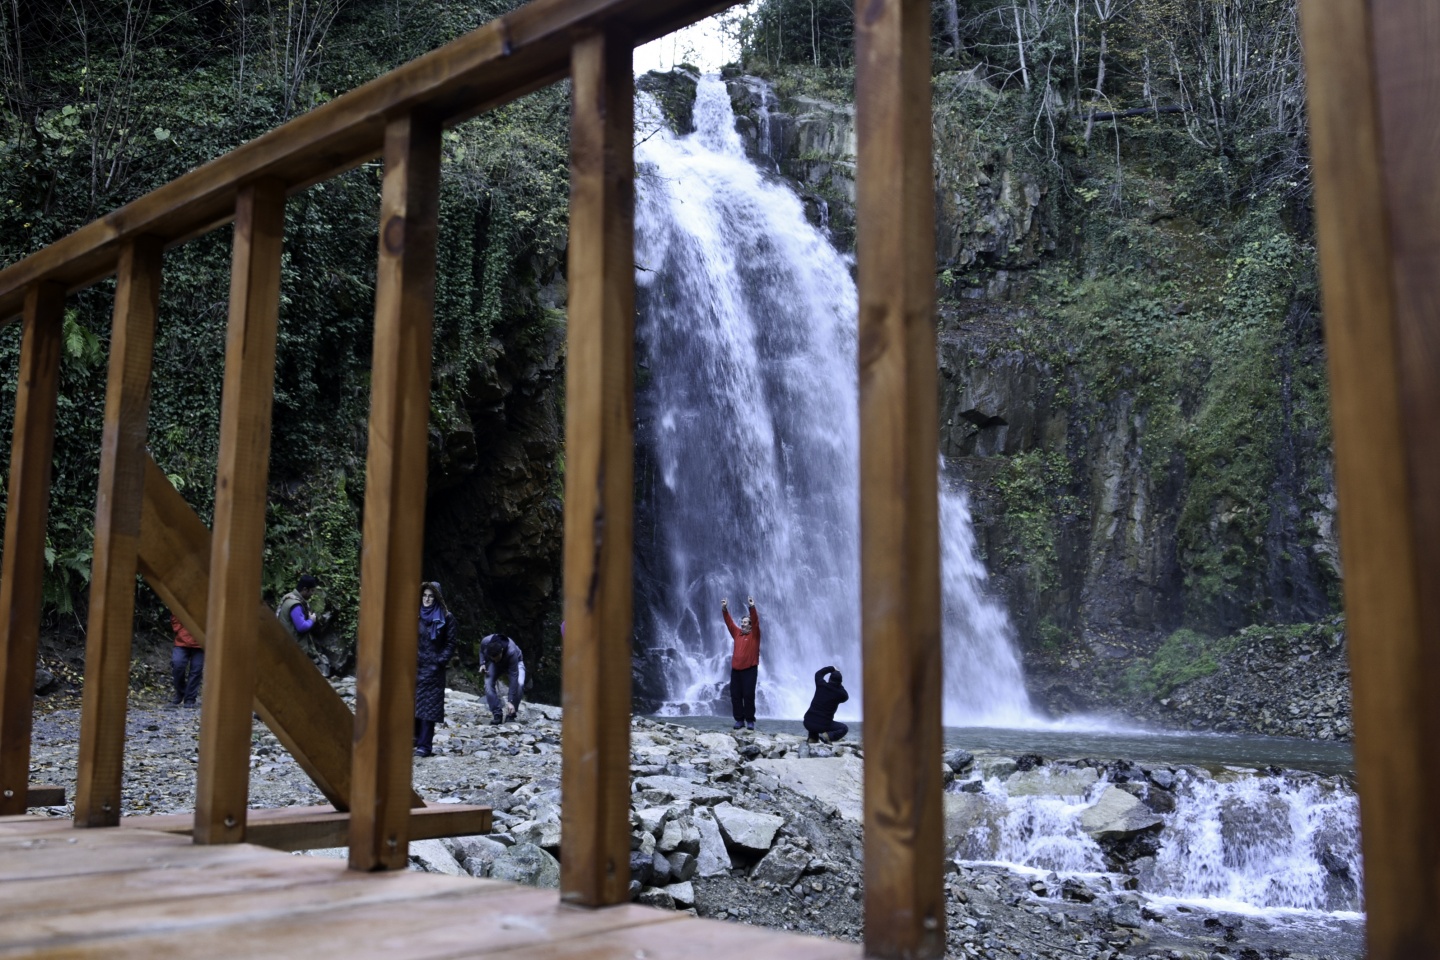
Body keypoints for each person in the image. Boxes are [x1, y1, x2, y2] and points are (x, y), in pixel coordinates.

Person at [414, 581, 458, 757]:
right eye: (424, 595)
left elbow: (450, 643)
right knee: (412, 706)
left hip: (433, 670)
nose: (427, 599)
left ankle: (425, 746)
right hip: (414, 667)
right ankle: (414, 740)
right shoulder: (414, 614)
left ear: (437, 598)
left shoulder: (447, 617)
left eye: (431, 596)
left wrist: (439, 661)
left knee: (428, 709)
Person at [722, 595, 760, 730]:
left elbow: (755, 621)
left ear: (750, 625)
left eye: (745, 622)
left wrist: (752, 607)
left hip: (750, 669)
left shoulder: (755, 635)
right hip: (736, 670)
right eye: (742, 621)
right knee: (735, 696)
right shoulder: (737, 633)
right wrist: (725, 609)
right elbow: (729, 623)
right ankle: (739, 720)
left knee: (748, 695)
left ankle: (750, 720)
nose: (742, 623)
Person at [276, 575, 330, 656]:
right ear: (305, 589)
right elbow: (301, 627)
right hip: (292, 650)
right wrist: (311, 619)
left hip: (285, 643)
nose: (312, 594)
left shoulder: (288, 596)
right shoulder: (295, 605)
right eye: (311, 591)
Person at [481, 633, 525, 726]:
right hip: (497, 665)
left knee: (519, 684)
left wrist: (510, 701)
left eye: (496, 657)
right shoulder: (485, 642)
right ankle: (497, 714)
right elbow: (481, 651)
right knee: (488, 683)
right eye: (493, 658)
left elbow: (514, 676)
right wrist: (482, 663)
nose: (495, 659)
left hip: (516, 662)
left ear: (501, 651)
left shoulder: (511, 651)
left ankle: (511, 713)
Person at [803, 665, 849, 744]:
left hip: (807, 721)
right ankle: (826, 736)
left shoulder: (821, 685)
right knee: (844, 728)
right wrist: (839, 685)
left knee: (814, 719)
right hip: (822, 725)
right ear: (840, 682)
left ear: (829, 679)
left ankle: (813, 738)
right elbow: (846, 696)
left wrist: (832, 668)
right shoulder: (840, 694)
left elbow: (818, 674)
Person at [169, 613, 203, 708]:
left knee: (196, 670)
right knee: (177, 665)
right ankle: (180, 694)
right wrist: (181, 629)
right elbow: (175, 614)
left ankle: (190, 699)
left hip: (201, 644)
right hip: (181, 642)